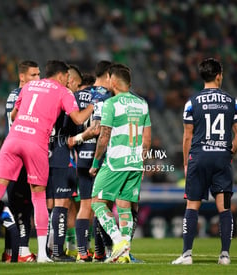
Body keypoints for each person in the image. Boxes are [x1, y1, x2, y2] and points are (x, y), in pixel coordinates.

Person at [0, 60, 95, 263]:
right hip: (35, 144)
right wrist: (93, 105)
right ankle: (44, 255)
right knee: (38, 198)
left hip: (12, 140)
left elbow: (13, 114)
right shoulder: (63, 91)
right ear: (62, 76)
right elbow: (79, 119)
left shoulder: (28, 86)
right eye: (67, 78)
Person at [172, 58, 237, 265]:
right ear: (219, 75)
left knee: (192, 206)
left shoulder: (192, 102)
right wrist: (229, 154)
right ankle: (225, 255)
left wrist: (187, 163)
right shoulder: (233, 101)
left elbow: (187, 136)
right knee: (225, 208)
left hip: (199, 158)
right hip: (222, 158)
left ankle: (186, 254)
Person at [89, 65, 151, 263]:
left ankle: (118, 241)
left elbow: (104, 136)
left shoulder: (111, 104)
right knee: (124, 207)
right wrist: (141, 163)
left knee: (97, 202)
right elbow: (147, 140)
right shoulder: (142, 104)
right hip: (135, 163)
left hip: (116, 162)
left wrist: (96, 162)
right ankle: (123, 254)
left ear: (112, 81)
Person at [68, 60, 113, 262]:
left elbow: (70, 125)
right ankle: (99, 251)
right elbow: (97, 128)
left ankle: (81, 252)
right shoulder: (104, 95)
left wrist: (76, 142)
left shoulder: (76, 96)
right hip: (97, 155)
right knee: (100, 205)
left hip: (80, 157)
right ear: (108, 75)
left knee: (85, 206)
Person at [2, 60, 40, 263]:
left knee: (16, 206)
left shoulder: (12, 96)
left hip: (12, 156)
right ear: (22, 77)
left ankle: (10, 251)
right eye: (33, 75)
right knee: (24, 207)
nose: (38, 79)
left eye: (38, 75)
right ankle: (23, 251)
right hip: (22, 158)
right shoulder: (25, 96)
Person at [46, 64, 82, 262]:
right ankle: (58, 251)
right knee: (62, 204)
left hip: (43, 154)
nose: (76, 90)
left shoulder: (44, 94)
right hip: (61, 154)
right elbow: (73, 129)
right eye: (76, 85)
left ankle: (47, 249)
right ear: (69, 80)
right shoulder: (66, 95)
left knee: (48, 204)